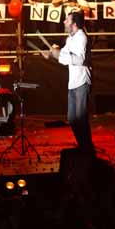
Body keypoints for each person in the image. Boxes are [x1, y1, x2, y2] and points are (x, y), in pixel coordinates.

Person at [50, 11, 93, 153]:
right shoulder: (70, 38)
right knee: (72, 118)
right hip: (73, 82)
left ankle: (87, 148)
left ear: (74, 24)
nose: (64, 22)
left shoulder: (81, 37)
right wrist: (53, 54)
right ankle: (83, 146)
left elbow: (79, 59)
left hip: (81, 81)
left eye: (67, 20)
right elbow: (63, 56)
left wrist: (58, 54)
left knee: (80, 118)